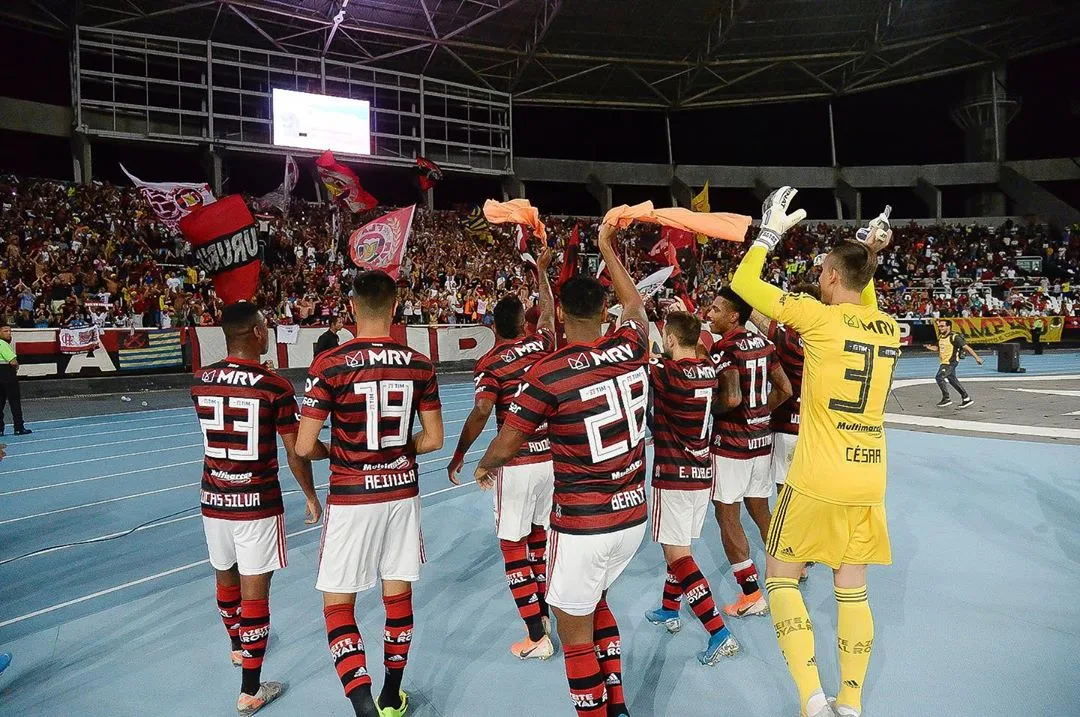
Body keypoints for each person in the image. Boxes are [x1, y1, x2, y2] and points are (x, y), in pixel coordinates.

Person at [730, 189, 901, 717]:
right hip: (869, 476)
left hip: (816, 478)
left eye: (824, 269)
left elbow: (743, 285)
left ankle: (811, 698)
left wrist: (768, 236)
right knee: (853, 590)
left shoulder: (816, 319)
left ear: (829, 276)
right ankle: (849, 702)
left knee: (781, 576)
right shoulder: (887, 327)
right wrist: (869, 252)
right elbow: (865, 299)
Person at [476, 222, 648, 717]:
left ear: (562, 315)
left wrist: (484, 466)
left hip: (582, 523)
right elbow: (636, 307)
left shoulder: (546, 374)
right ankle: (616, 706)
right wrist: (606, 248)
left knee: (573, 635)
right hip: (631, 517)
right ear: (603, 312)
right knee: (597, 605)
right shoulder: (632, 345)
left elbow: (509, 441)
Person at [296, 270, 444, 717]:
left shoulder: (329, 364)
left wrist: (339, 450)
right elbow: (434, 439)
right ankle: (390, 696)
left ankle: (362, 704)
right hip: (401, 494)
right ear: (396, 307)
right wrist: (399, 449)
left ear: (353, 308)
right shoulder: (420, 363)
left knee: (339, 605)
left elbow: (304, 446)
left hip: (352, 496)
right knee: (397, 597)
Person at [191, 301, 322, 717]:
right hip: (257, 504)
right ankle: (250, 689)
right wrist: (311, 495)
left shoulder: (201, 380)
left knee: (225, 578)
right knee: (255, 596)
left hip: (214, 499)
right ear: (257, 333)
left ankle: (235, 646)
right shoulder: (274, 386)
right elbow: (295, 450)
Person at [448, 247, 558, 660]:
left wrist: (463, 454)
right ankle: (545, 611)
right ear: (522, 322)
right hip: (551, 460)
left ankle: (535, 635)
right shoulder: (541, 346)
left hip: (517, 462)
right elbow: (548, 315)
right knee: (538, 537)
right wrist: (542, 274)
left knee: (512, 545)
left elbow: (481, 411)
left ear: (493, 325)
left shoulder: (490, 364)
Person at [643, 309, 741, 665]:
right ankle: (670, 609)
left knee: (678, 555)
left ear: (670, 339)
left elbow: (637, 353)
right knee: (679, 545)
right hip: (701, 473)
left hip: (674, 477)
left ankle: (718, 631)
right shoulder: (707, 370)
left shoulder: (668, 373)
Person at [706, 288, 791, 618]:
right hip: (761, 442)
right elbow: (784, 389)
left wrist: (711, 412)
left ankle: (752, 594)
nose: (709, 314)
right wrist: (760, 415)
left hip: (732, 446)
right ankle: (786, 573)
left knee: (727, 515)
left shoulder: (725, 348)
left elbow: (729, 400)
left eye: (715, 309)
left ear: (733, 316)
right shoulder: (764, 345)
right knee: (760, 509)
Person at [926, 319, 981, 408]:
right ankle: (966, 398)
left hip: (950, 362)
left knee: (939, 377)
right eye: (939, 326)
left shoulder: (955, 337)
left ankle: (946, 398)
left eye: (942, 326)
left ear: (948, 326)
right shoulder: (941, 336)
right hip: (944, 361)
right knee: (952, 379)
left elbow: (967, 348)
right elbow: (938, 348)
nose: (940, 328)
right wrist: (930, 347)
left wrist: (977, 358)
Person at [0, 325, 30, 436]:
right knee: (14, 402)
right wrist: (16, 366)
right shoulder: (2, 344)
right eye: (5, 331)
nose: (9, 333)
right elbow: (12, 361)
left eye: (10, 331)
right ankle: (18, 427)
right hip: (7, 374)